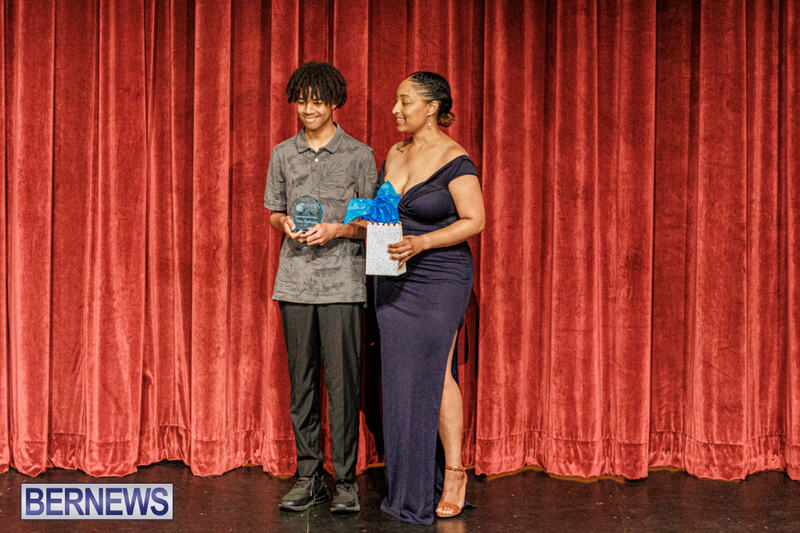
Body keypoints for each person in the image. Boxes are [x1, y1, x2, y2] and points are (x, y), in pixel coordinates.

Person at [263, 61, 378, 514]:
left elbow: (373, 224)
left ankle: (345, 480)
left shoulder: (360, 155)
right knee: (303, 384)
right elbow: (274, 210)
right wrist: (283, 224)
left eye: (317, 101)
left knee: (344, 385)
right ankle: (308, 476)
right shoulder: (282, 153)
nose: (308, 109)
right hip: (294, 283)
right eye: (302, 101)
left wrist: (337, 230)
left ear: (334, 103)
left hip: (342, 284)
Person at [375, 71, 485, 524]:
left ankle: (454, 472)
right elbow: (384, 213)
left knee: (437, 372)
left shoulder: (455, 159)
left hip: (440, 276)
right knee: (402, 377)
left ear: (431, 107)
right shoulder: (395, 152)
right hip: (393, 275)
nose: (396, 109)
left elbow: (474, 220)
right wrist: (360, 223)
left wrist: (423, 242)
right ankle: (410, 480)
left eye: (405, 101)